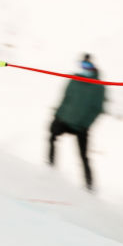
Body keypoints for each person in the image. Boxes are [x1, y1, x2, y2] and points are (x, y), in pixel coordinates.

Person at [47, 54, 106, 190]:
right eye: (83, 65)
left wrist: (85, 124)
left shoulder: (98, 86)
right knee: (51, 137)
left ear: (93, 67)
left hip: (81, 126)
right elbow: (65, 98)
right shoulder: (74, 80)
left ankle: (89, 186)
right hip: (64, 120)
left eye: (88, 66)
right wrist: (57, 115)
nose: (84, 68)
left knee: (83, 157)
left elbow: (98, 109)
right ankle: (50, 168)